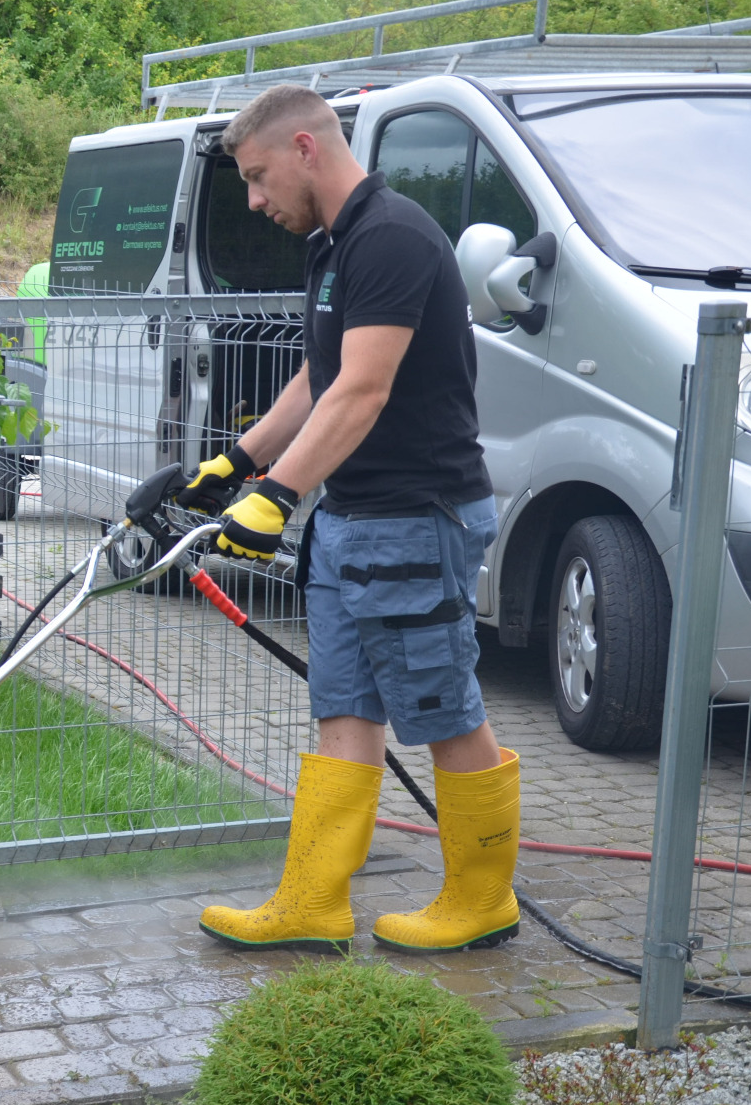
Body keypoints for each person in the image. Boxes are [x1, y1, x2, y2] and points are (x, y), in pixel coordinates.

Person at [173, 84, 520, 955]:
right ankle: (313, 901)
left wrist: (278, 496)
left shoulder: (393, 238)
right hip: (353, 522)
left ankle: (482, 900)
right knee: (345, 711)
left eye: (256, 179)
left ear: (304, 148)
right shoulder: (333, 245)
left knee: (442, 711)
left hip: (415, 515)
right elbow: (318, 378)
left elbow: (365, 388)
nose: (254, 200)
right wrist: (236, 463)